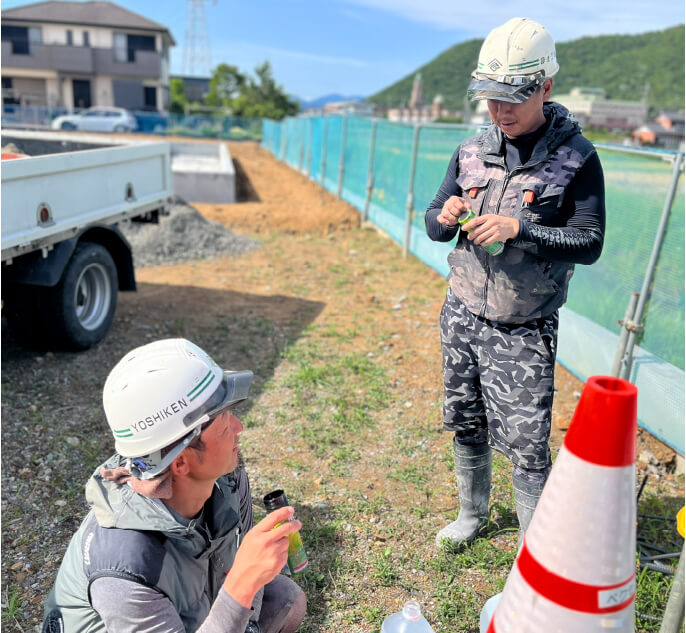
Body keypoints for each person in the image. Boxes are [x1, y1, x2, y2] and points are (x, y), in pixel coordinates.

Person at [426, 18, 605, 549]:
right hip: (462, 313)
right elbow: (435, 220)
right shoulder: (472, 149)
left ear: (545, 88)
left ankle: (533, 549)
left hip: (523, 326)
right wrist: (448, 212)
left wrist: (520, 229)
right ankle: (470, 514)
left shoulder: (577, 158)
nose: (499, 111)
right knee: (465, 421)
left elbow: (589, 242)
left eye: (513, 99)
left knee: (527, 445)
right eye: (490, 99)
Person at [42, 338, 307, 633]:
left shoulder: (226, 479)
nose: (238, 428)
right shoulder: (127, 569)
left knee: (286, 599)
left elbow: (236, 555)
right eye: (223, 424)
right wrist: (242, 584)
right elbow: (238, 579)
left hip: (190, 606)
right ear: (180, 462)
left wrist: (247, 598)